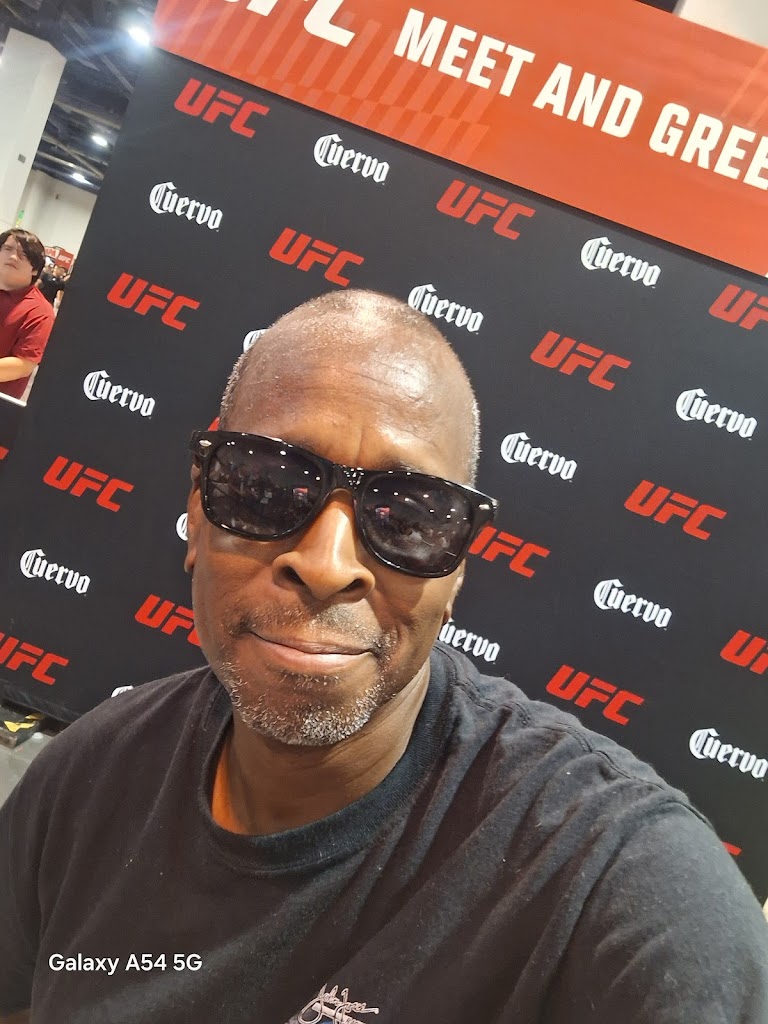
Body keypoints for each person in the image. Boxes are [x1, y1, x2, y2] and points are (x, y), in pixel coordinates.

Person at [0, 289, 766, 1023]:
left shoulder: (618, 888)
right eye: (267, 486)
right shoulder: (89, 777)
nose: (327, 564)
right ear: (198, 514)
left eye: (408, 517)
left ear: (457, 570)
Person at [0, 229, 54, 402]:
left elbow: (23, 365)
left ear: (35, 269)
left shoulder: (40, 311)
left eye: (23, 255)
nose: (13, 257)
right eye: (7, 249)